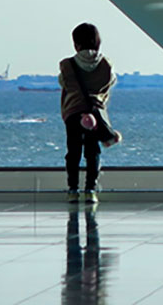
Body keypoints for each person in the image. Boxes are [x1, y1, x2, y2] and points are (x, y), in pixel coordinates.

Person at [59, 22, 117, 204]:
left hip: (74, 111)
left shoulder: (67, 65)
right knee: (93, 152)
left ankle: (73, 190)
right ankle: (91, 190)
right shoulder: (106, 64)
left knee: (73, 151)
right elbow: (110, 82)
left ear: (76, 43)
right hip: (95, 113)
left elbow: (64, 83)